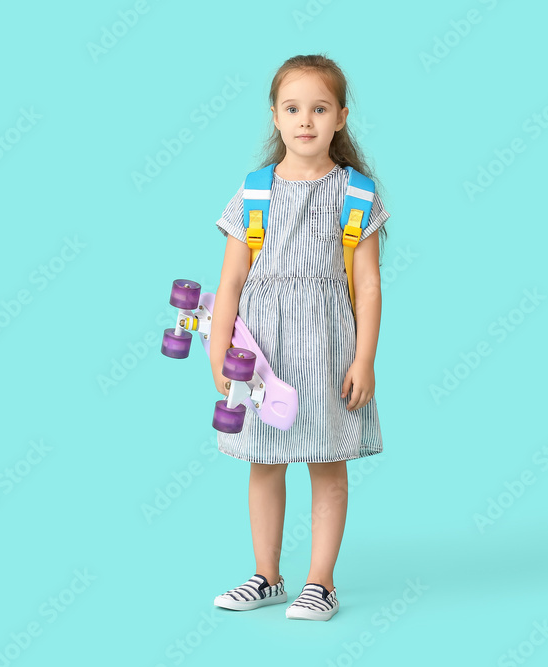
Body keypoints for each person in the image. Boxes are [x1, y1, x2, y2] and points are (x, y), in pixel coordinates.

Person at [209, 54, 389, 621]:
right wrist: (219, 354)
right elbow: (231, 280)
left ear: (340, 116)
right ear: (275, 116)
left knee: (327, 464)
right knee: (263, 462)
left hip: (329, 349)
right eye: (292, 108)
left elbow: (368, 284)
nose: (305, 119)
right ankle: (266, 577)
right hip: (264, 355)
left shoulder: (357, 194)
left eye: (319, 108)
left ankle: (320, 583)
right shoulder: (254, 192)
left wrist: (365, 359)